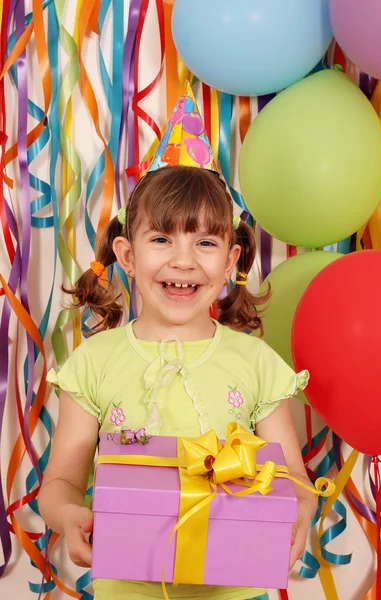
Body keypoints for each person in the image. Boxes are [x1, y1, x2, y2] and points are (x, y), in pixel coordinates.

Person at [39, 84, 316, 600]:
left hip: (236, 588)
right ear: (126, 253)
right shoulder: (94, 362)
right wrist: (69, 513)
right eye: (162, 239)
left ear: (231, 262)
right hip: (129, 586)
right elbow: (59, 482)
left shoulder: (256, 362)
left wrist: (299, 514)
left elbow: (294, 478)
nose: (183, 261)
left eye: (205, 242)